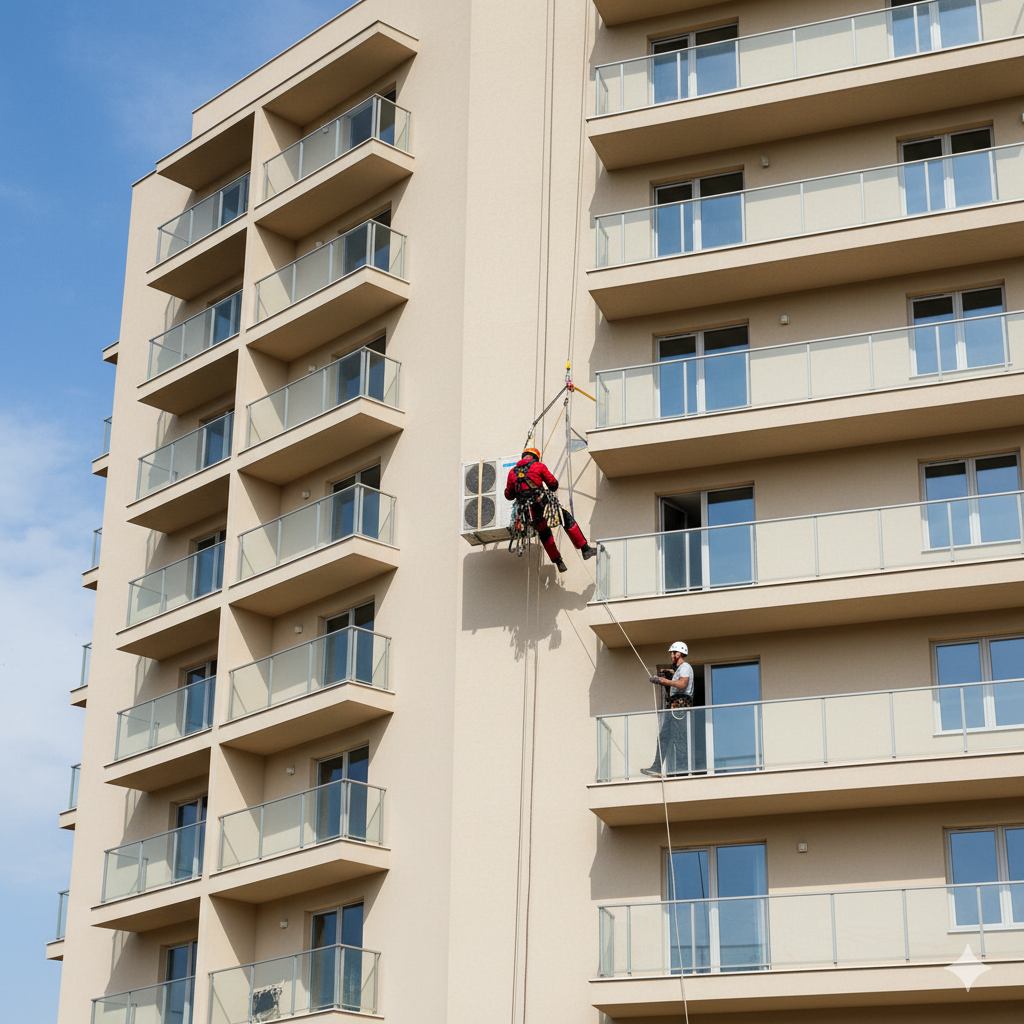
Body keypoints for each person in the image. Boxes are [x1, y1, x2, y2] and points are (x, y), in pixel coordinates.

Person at [505, 447, 597, 572]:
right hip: (542, 504)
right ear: (535, 457)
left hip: (528, 512)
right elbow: (553, 485)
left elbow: (509, 495)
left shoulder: (512, 473)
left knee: (544, 533)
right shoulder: (538, 466)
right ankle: (585, 549)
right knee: (566, 520)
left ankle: (559, 562)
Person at [642, 642, 694, 777]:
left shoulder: (685, 667)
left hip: (680, 707)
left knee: (680, 739)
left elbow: (682, 684)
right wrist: (670, 676)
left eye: (673, 652)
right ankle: (657, 767)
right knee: (664, 737)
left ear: (680, 653)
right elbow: (676, 683)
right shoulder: (678, 670)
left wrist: (663, 681)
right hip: (675, 706)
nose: (671, 655)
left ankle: (682, 770)